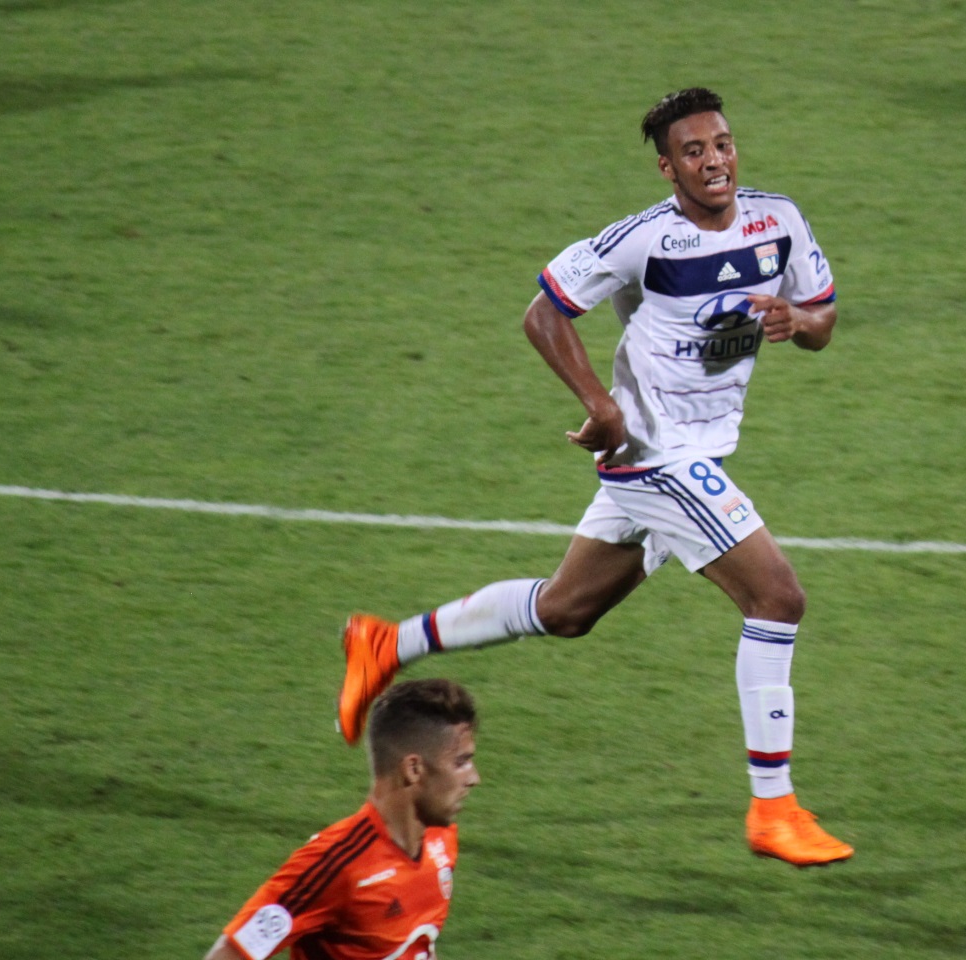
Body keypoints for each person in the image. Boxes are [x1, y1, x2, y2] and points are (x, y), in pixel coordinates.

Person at [339, 88, 851, 867]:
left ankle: (387, 643)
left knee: (566, 608)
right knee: (777, 597)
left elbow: (822, 320)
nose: (713, 160)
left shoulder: (778, 220)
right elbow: (544, 313)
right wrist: (602, 408)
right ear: (667, 167)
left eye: (722, 144)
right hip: (655, 450)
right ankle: (773, 808)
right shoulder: (643, 240)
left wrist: (795, 324)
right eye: (693, 152)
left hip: (700, 450)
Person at [205, 679, 480, 960]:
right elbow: (229, 954)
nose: (473, 778)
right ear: (413, 768)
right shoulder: (336, 865)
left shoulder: (440, 839)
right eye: (461, 762)